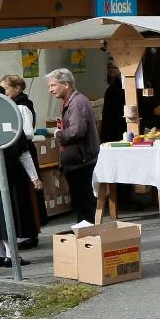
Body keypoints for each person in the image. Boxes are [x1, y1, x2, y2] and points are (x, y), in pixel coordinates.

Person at [0, 85, 39, 267]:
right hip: (9, 176)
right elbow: (23, 152)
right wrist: (34, 177)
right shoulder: (11, 120)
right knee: (9, 215)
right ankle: (11, 256)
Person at [47, 68, 99, 224]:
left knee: (83, 200)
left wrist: (59, 134)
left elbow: (77, 131)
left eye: (53, 85)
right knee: (80, 200)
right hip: (76, 159)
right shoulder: (72, 101)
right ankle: (84, 232)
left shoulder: (77, 102)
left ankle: (86, 234)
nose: (50, 90)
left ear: (66, 84)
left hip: (80, 160)